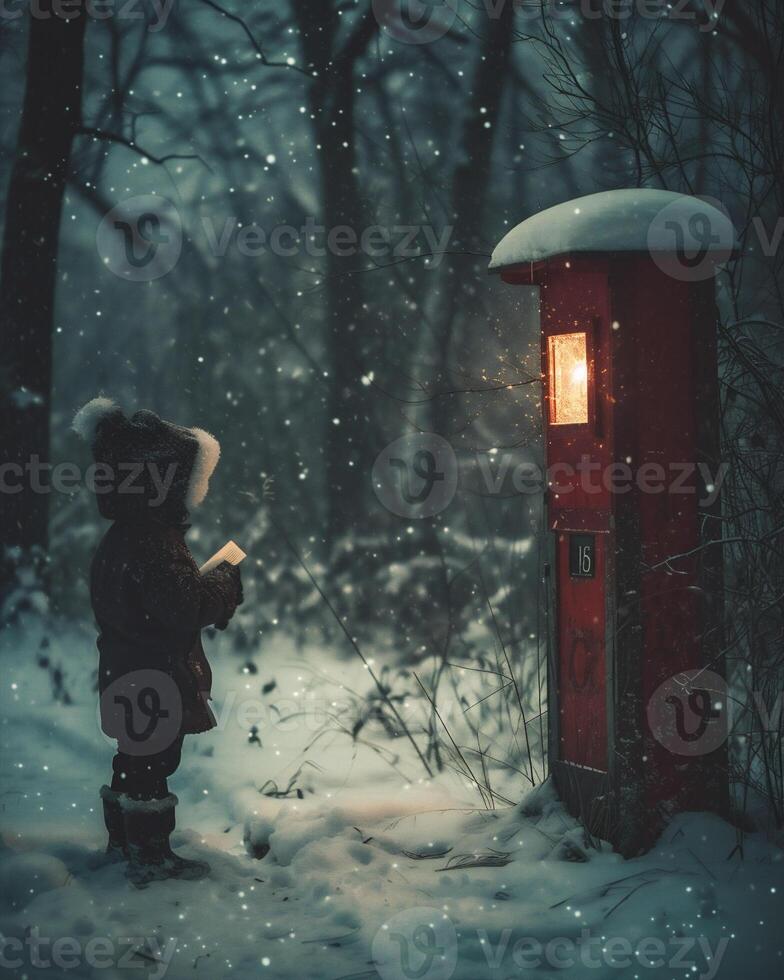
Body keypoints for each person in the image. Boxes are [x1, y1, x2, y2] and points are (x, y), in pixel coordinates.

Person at [73, 398, 243, 887]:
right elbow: (183, 606)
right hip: (153, 675)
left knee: (134, 756)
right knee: (153, 761)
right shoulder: (153, 540)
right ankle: (149, 854)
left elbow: (161, 603)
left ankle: (125, 843)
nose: (195, 491)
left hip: (127, 668)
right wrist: (225, 581)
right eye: (189, 480)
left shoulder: (125, 535)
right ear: (159, 483)